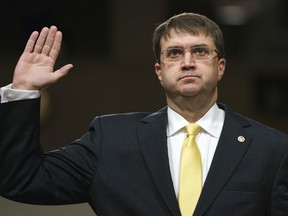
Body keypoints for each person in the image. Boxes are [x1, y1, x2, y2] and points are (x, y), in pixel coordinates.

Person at [0, 12, 288, 216]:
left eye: (200, 52)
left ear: (220, 67)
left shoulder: (271, 149)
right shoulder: (109, 141)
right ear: (159, 71)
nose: (187, 62)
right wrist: (23, 92)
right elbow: (21, 180)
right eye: (174, 53)